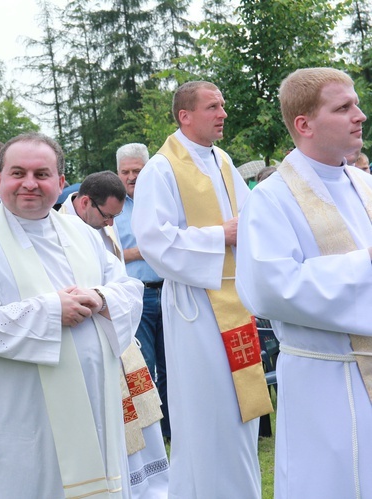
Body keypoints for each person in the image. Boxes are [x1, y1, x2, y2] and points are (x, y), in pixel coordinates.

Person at [0, 133, 144, 498]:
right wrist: (51, 311)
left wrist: (98, 297)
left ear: (61, 182)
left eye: (42, 174)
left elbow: (127, 288)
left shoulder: (83, 233)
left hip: (93, 407)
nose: (29, 183)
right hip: (19, 415)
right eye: (18, 172)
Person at [235, 67, 372, 499]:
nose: (361, 115)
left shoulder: (366, 185)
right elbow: (271, 288)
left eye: (357, 104)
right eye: (344, 107)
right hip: (326, 376)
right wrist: (366, 264)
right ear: (304, 124)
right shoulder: (271, 200)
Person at [131, 81, 272, 499]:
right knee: (206, 410)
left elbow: (249, 222)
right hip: (195, 303)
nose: (223, 113)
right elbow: (154, 240)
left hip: (234, 300)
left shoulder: (224, 160)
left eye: (223, 104)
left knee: (240, 410)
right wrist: (218, 237)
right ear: (184, 116)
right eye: (213, 106)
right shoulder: (161, 168)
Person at [59, 171, 169, 498]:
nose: (110, 225)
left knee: (142, 422)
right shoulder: (61, 231)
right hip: (89, 339)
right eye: (107, 216)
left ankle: (150, 488)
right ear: (83, 202)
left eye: (115, 217)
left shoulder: (95, 224)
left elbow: (120, 280)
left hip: (117, 330)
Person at [114, 143, 171, 441]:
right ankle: (151, 432)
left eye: (137, 170)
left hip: (171, 291)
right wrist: (134, 253)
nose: (132, 177)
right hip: (138, 296)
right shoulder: (113, 206)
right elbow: (106, 254)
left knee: (173, 363)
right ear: (118, 173)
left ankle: (173, 428)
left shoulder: (161, 199)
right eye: (126, 171)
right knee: (144, 366)